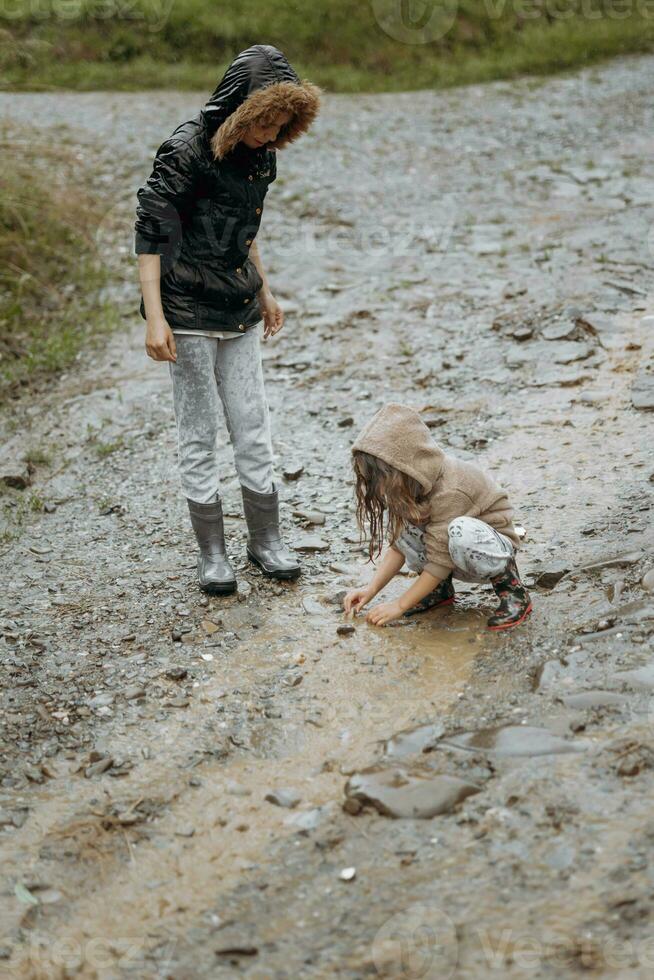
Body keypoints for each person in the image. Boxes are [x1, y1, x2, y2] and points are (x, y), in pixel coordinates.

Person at [134, 45, 320, 594]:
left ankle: (265, 541)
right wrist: (154, 317)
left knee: (252, 423)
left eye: (280, 124)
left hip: (238, 305)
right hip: (186, 309)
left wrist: (265, 291)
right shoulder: (185, 150)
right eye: (263, 121)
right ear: (238, 108)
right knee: (198, 431)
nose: (270, 133)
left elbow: (246, 229)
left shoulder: (263, 155)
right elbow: (150, 233)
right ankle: (212, 553)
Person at [343, 404, 532, 630]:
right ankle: (437, 591)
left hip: (491, 551)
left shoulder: (451, 488)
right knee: (404, 527)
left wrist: (400, 605)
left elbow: (441, 562)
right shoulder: (409, 486)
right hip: (449, 551)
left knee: (460, 529)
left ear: (404, 466)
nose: (377, 487)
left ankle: (513, 592)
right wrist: (370, 589)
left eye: (379, 478)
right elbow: (398, 547)